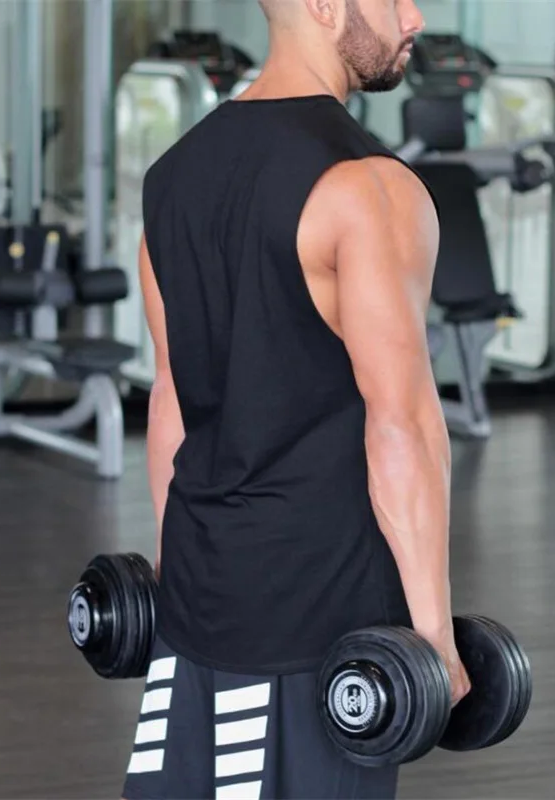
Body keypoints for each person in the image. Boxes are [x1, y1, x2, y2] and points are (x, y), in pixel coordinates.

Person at [122, 0, 471, 797]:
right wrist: (435, 639)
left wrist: (179, 580)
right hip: (319, 627)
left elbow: (172, 398)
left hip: (196, 604)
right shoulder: (369, 188)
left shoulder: (173, 176)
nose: (414, 17)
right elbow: (403, 426)